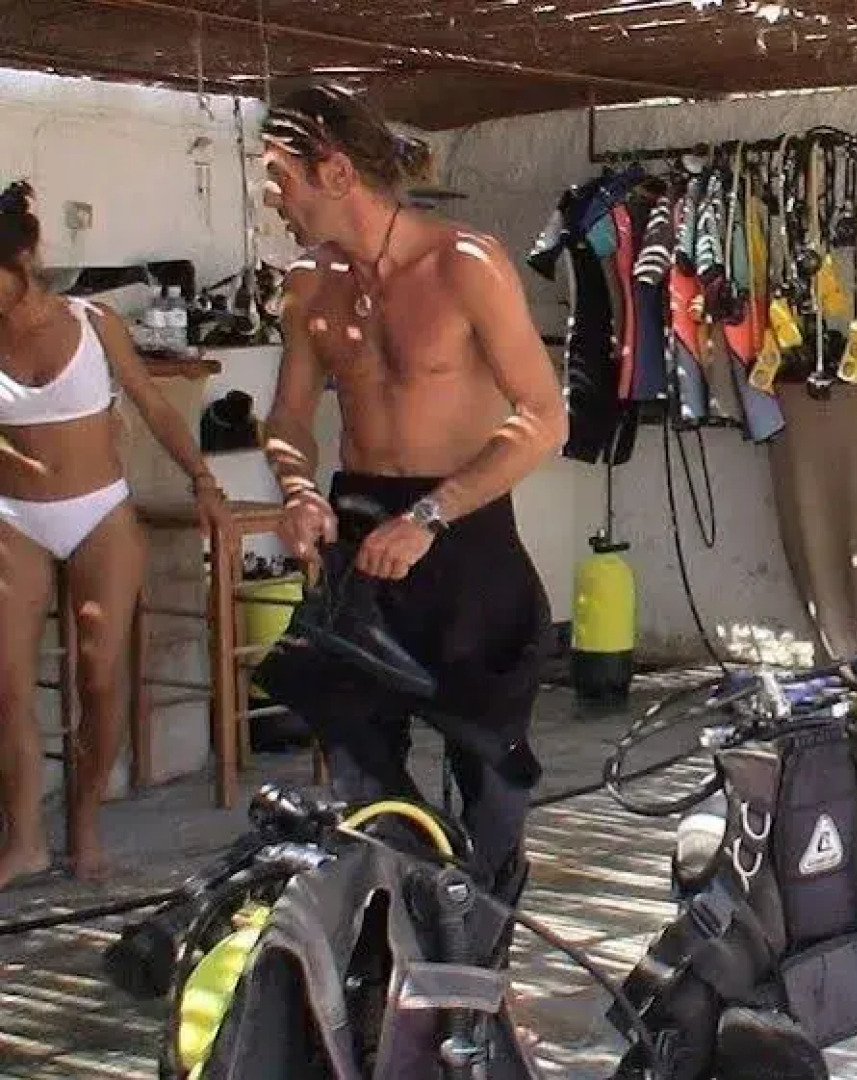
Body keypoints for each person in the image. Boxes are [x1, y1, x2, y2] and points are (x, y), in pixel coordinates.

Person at [250, 82, 566, 903]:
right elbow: (287, 418)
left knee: (491, 768)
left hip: (460, 532)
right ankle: (409, 918)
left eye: (278, 176)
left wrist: (431, 514)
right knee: (356, 753)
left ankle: (481, 948)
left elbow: (543, 418)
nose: (269, 196)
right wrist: (296, 488)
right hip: (356, 528)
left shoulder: (465, 264)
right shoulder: (308, 283)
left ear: (333, 172)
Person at [0, 180, 232, 888]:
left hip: (99, 511)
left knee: (100, 679)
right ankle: (27, 840)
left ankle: (87, 826)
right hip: (13, 517)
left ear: (25, 258)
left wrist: (203, 479)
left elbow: (156, 407)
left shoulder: (93, 322)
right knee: (6, 686)